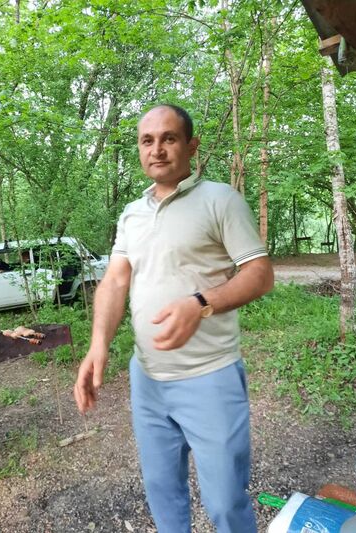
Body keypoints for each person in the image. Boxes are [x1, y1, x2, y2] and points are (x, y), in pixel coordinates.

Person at [74, 104, 274, 533]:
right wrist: (98, 346)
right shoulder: (132, 213)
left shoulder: (220, 199)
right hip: (147, 379)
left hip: (210, 376)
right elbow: (115, 281)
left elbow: (260, 274)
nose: (157, 149)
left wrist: (200, 302)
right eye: (147, 141)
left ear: (191, 146)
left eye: (169, 138)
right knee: (162, 492)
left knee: (225, 503)